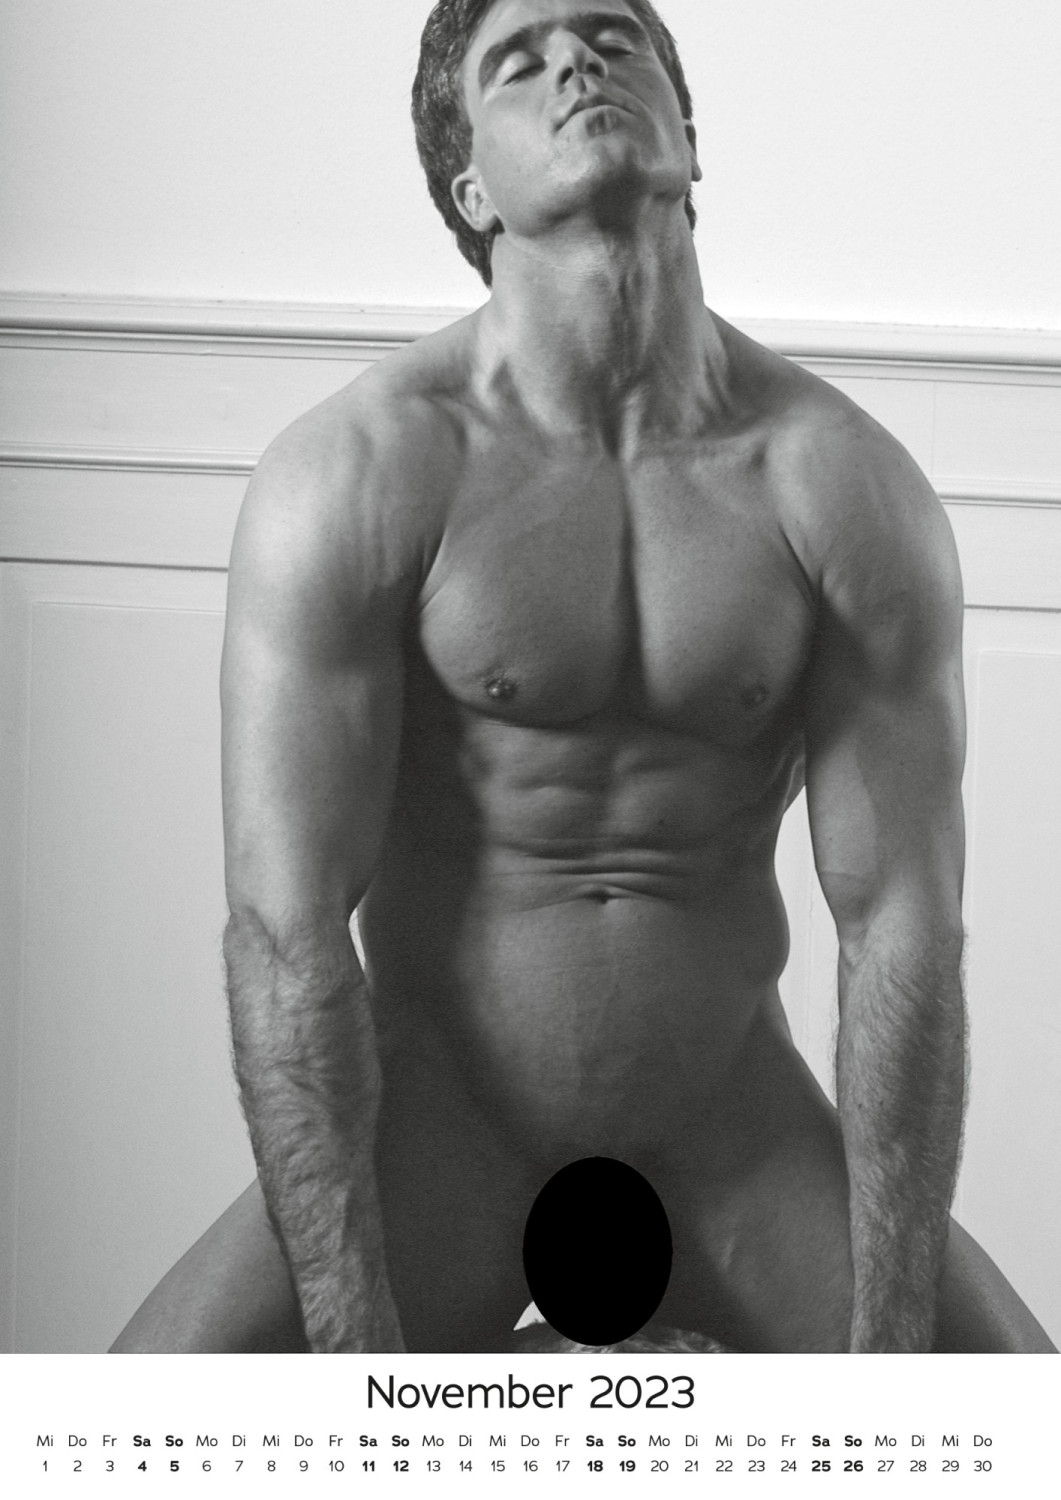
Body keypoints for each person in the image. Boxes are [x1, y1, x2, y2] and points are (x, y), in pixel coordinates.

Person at [112, 0, 1055, 1355]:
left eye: (613, 40)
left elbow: (901, 925)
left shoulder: (839, 483)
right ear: (468, 188)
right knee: (117, 1428)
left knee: (1018, 1435)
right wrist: (352, 1363)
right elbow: (285, 929)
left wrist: (890, 1362)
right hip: (444, 1129)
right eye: (521, 61)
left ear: (690, 138)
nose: (576, 64)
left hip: (734, 1133)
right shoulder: (362, 472)